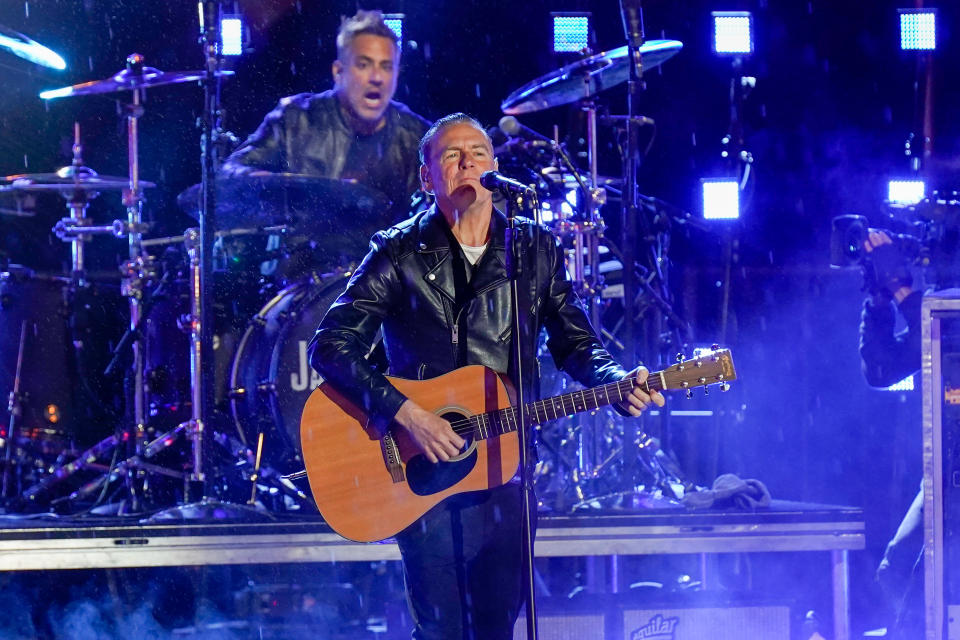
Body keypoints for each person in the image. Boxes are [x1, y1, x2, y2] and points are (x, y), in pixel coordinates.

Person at [307, 113, 664, 639]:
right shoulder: (398, 251)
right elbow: (330, 346)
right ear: (428, 178)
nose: (468, 160)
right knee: (442, 632)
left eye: (478, 151)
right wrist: (410, 414)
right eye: (451, 154)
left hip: (506, 469)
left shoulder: (534, 248)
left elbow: (576, 340)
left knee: (498, 628)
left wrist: (615, 381)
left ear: (495, 168)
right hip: (419, 474)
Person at [221, 9, 430, 226]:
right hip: (301, 255)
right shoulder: (296, 119)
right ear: (338, 71)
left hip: (382, 258)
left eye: (386, 67)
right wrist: (271, 185)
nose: (377, 78)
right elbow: (229, 175)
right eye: (364, 65)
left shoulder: (416, 136)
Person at [859, 230, 924, 639]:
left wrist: (901, 287)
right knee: (897, 570)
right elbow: (883, 371)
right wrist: (880, 300)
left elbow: (950, 338)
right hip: (946, 476)